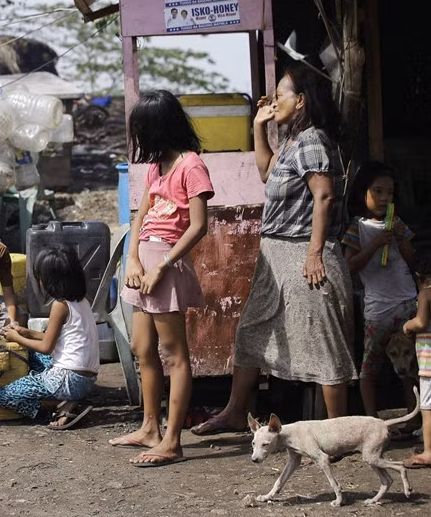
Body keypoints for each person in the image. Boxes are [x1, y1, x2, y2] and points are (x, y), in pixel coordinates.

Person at [192, 64, 357, 437]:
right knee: (251, 331)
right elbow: (266, 172)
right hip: (276, 255)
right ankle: (236, 412)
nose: (274, 99)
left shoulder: (313, 139)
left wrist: (315, 254)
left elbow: (325, 196)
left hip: (303, 253)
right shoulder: (292, 139)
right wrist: (258, 127)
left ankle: (339, 430)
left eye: (281, 94)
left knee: (322, 339)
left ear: (300, 101)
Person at [108, 90, 214, 466]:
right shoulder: (157, 167)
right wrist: (132, 258)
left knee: (175, 356)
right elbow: (140, 217)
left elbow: (198, 226)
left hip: (166, 265)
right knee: (142, 349)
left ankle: (172, 440)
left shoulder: (191, 165)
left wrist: (161, 265)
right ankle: (149, 427)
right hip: (143, 265)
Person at [342, 161, 417, 419]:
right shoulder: (357, 227)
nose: (385, 199)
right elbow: (349, 266)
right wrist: (374, 245)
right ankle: (372, 421)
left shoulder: (396, 223)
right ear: (363, 193)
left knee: (410, 364)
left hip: (408, 304)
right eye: (378, 191)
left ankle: (414, 416)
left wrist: (398, 237)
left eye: (390, 193)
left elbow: (412, 259)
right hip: (379, 310)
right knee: (370, 369)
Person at [0, 244, 99, 429]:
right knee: (33, 356)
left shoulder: (60, 305)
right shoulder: (81, 301)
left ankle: (54, 410)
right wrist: (27, 333)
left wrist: (17, 338)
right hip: (86, 379)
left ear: (48, 281)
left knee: (3, 396)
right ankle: (69, 400)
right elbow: (56, 338)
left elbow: (46, 347)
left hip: (67, 380)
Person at [403, 260, 431, 468]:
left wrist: (407, 325)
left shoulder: (425, 293)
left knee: (428, 406)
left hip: (428, 361)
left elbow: (421, 322)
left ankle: (429, 451)